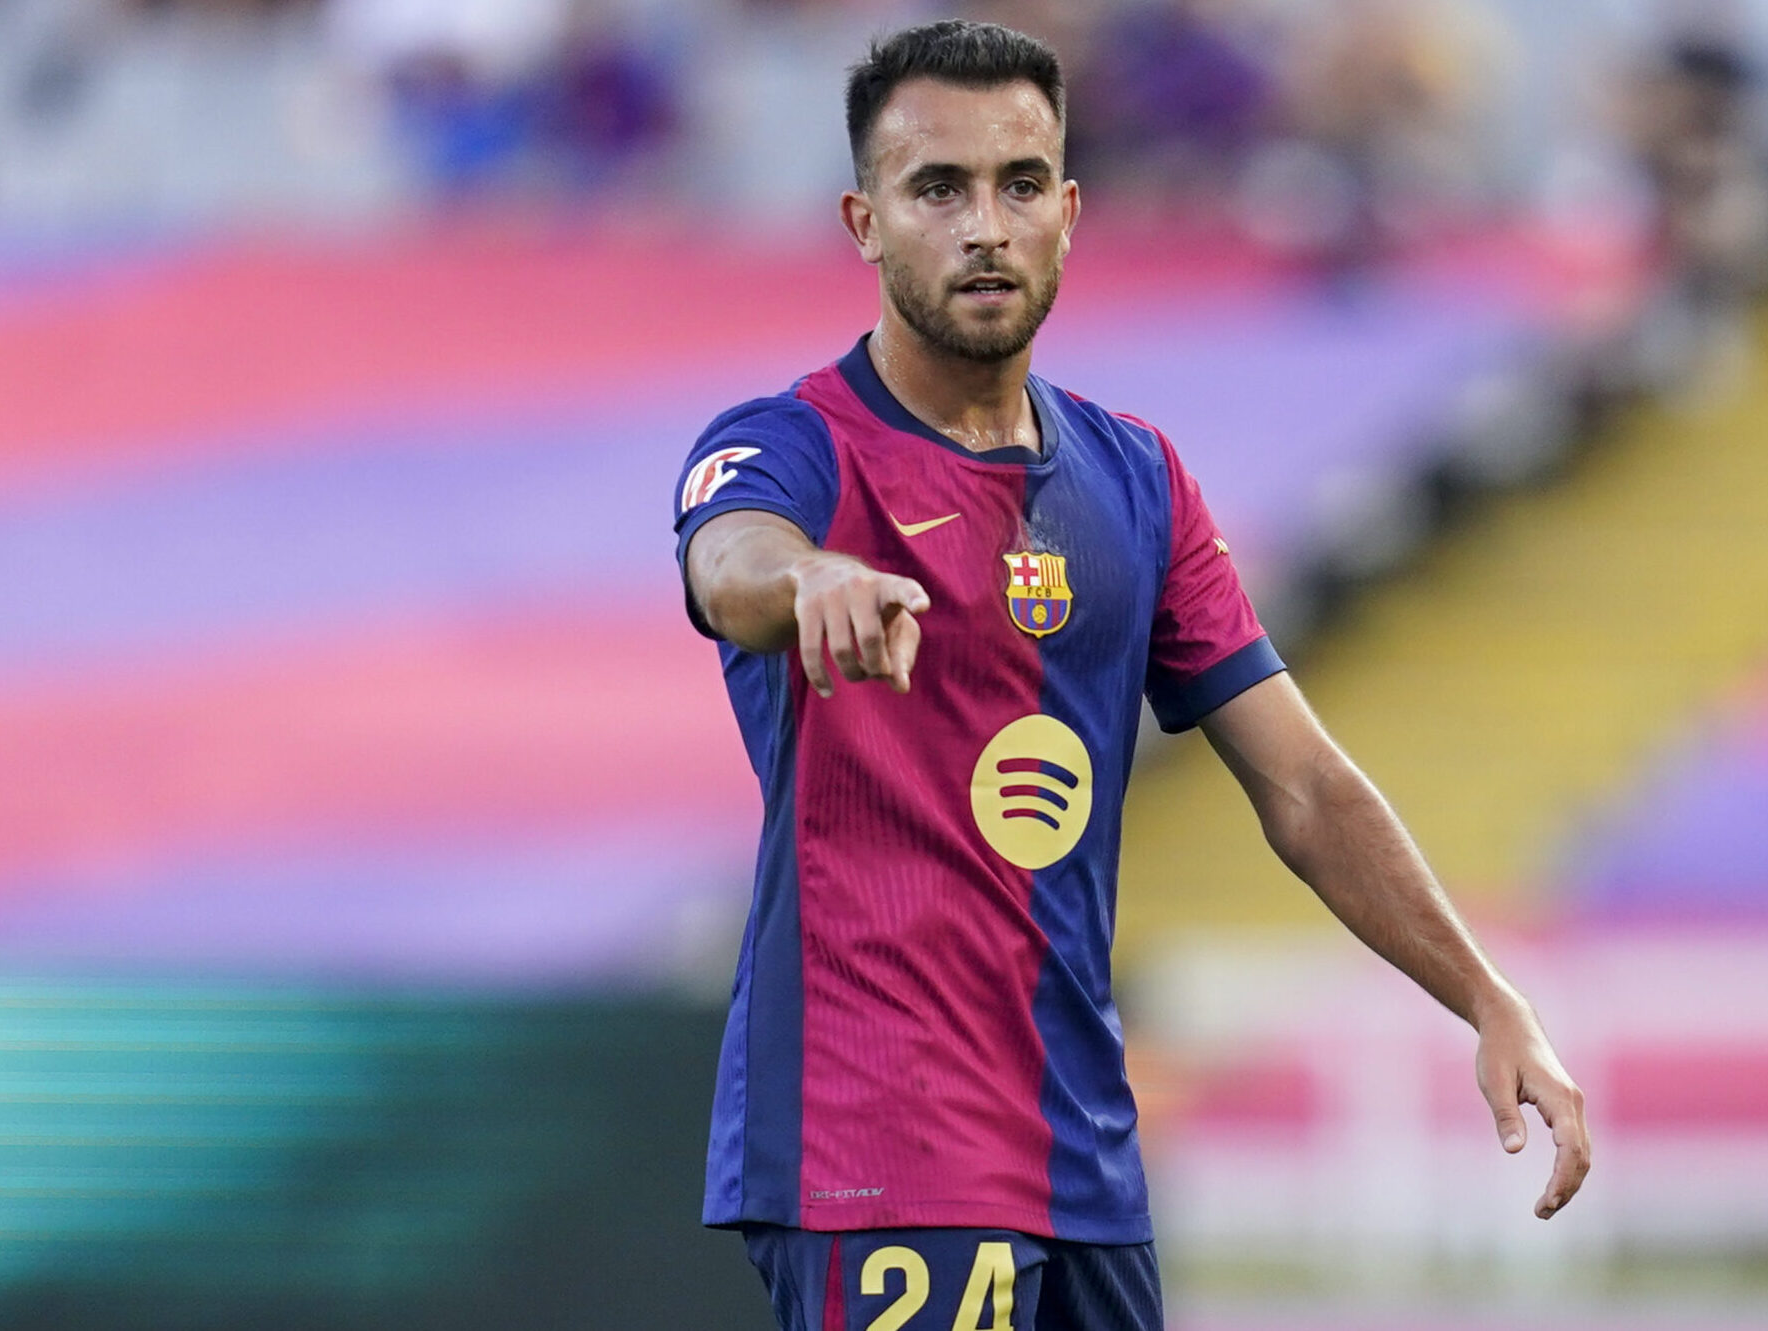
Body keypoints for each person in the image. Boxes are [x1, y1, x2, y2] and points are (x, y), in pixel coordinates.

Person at [674, 20, 1589, 1331]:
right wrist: (809, 580)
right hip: (879, 1146)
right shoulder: (796, 450)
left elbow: (1306, 788)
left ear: (1070, 210)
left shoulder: (1135, 481)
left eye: (1021, 183)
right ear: (864, 222)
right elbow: (730, 561)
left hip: (1082, 1157)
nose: (986, 223)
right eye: (938, 188)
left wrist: (1487, 999)